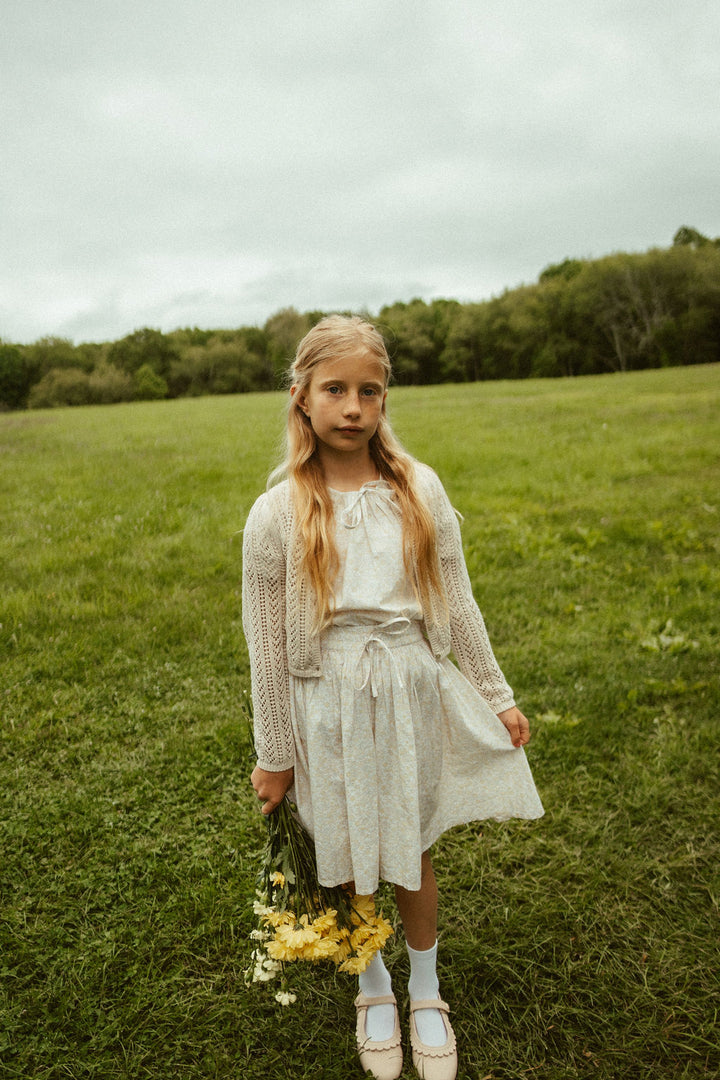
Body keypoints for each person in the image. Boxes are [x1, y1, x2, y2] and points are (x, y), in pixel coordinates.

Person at [242, 315, 544, 1080]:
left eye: (368, 392)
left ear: (384, 399)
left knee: (410, 847)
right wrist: (275, 756)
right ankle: (371, 984)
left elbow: (460, 602)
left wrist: (496, 694)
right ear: (301, 397)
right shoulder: (276, 514)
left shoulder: (419, 487)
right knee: (343, 845)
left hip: (409, 687)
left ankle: (425, 988)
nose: (352, 408)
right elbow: (267, 649)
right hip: (325, 700)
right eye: (335, 390)